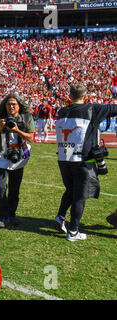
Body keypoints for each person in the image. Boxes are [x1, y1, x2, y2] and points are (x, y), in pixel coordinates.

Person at [54, 84, 117, 241]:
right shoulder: (92, 109)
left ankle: (60, 217)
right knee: (80, 196)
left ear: (69, 96)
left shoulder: (62, 111)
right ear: (86, 97)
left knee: (70, 190)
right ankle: (73, 231)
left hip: (64, 159)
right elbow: (113, 109)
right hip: (83, 161)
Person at [0, 94, 35, 228]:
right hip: (2, 157)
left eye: (14, 104)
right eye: (8, 104)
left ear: (19, 106)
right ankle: (2, 215)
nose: (11, 107)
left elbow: (31, 137)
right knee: (1, 187)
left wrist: (17, 130)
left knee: (15, 188)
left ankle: (12, 214)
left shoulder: (26, 118)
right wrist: (0, 128)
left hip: (19, 158)